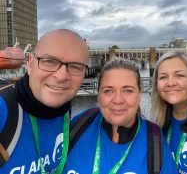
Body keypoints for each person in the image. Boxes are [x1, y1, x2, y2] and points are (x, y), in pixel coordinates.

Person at [64, 57, 177, 174]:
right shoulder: (79, 125)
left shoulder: (154, 140)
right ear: (99, 94)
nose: (118, 100)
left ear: (139, 94)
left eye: (127, 90)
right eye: (108, 90)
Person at [0, 29, 89, 173]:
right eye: (49, 61)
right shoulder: (3, 111)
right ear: (30, 64)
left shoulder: (65, 111)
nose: (61, 76)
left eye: (75, 66)